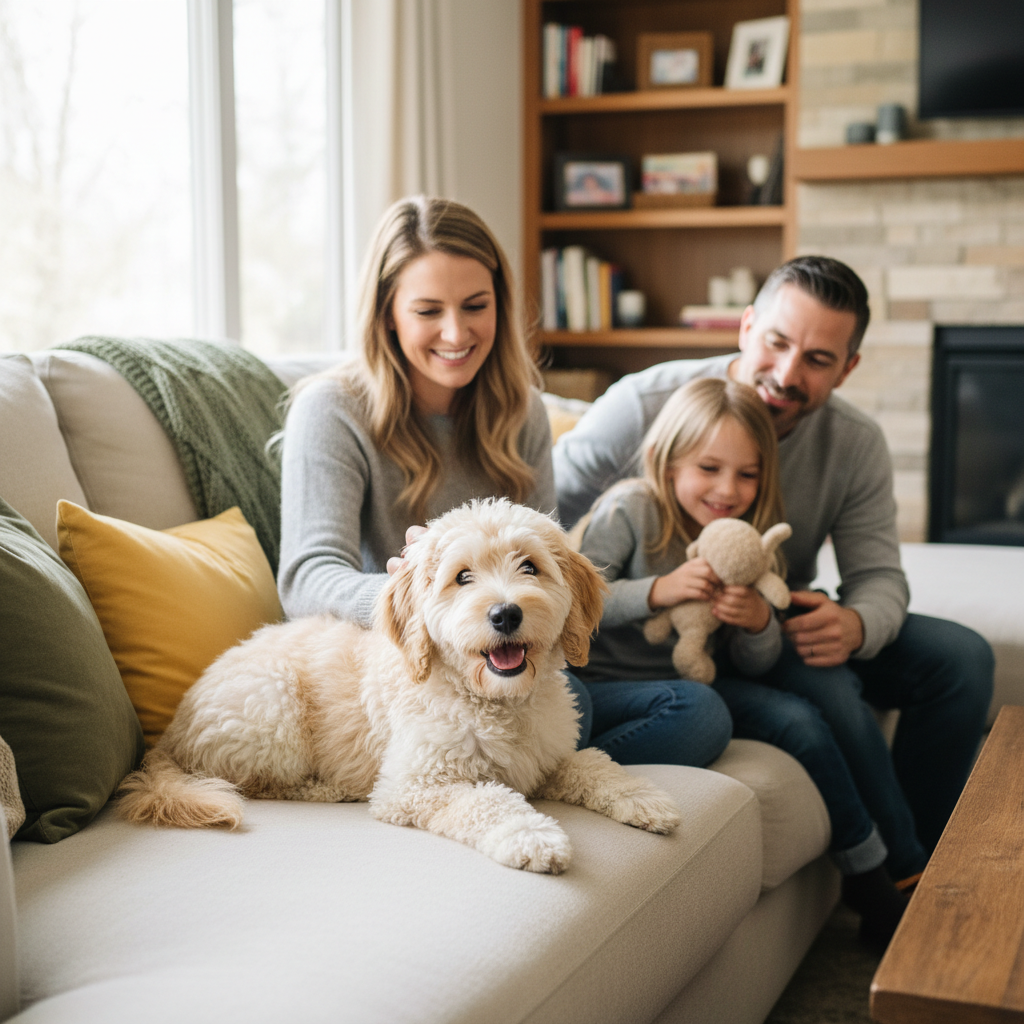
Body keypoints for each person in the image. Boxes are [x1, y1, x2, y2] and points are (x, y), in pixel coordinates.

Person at [555, 255, 994, 888]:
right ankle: (896, 871)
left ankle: (916, 871)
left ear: (849, 367)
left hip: (765, 621)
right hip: (646, 653)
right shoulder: (648, 407)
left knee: (961, 659)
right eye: (778, 343)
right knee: (819, 699)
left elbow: (879, 577)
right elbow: (534, 503)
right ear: (746, 325)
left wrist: (855, 623)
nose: (787, 373)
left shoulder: (853, 442)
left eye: (818, 359)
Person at [276, 195, 730, 770]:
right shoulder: (333, 409)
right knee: (576, 710)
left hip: (518, 664)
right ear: (387, 312)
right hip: (417, 672)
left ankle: (531, 773)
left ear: (501, 305)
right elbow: (305, 577)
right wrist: (411, 595)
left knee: (701, 713)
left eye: (475, 305)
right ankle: (492, 773)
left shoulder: (522, 412)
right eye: (427, 311)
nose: (455, 331)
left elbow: (552, 557)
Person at [575, 376, 913, 946]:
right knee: (704, 710)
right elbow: (578, 602)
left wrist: (758, 623)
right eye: (708, 468)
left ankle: (867, 871)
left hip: (691, 682)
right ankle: (570, 770)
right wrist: (658, 590)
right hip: (607, 684)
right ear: (666, 460)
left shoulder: (745, 542)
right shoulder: (630, 509)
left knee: (799, 720)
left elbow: (754, 665)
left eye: (747, 474)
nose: (727, 490)